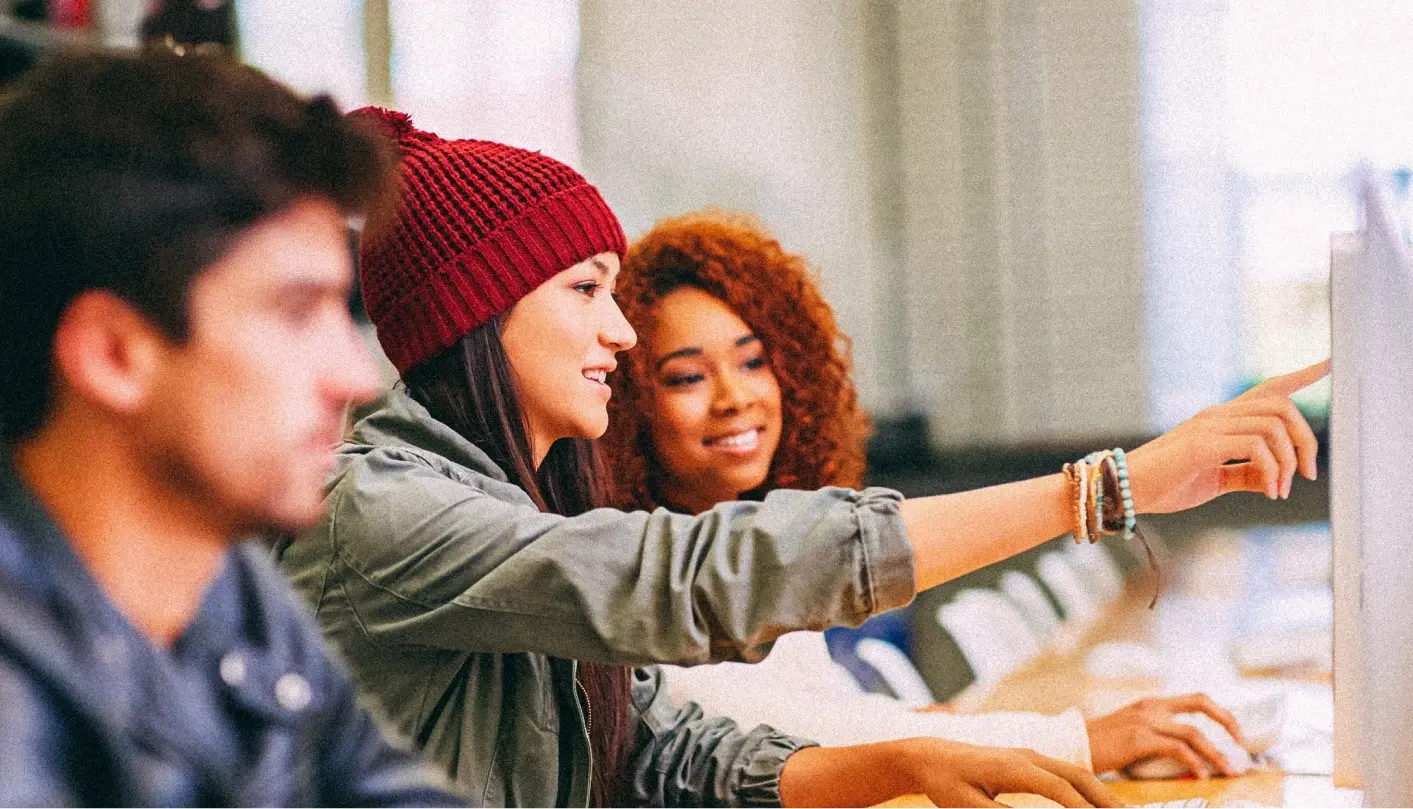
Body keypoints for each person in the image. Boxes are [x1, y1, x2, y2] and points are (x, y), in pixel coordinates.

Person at [278, 108, 1323, 808]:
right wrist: (1101, 488)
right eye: (586, 291)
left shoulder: (521, 506)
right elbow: (684, 581)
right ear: (480, 316)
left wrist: (904, 756)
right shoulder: (382, 510)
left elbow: (667, 752)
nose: (623, 336)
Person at [601, 207, 1256, 779]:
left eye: (753, 361)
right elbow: (800, 748)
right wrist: (1080, 738)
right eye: (686, 376)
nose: (736, 396)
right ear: (628, 404)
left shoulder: (759, 537)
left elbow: (821, 714)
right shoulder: (642, 581)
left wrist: (921, 719)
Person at [0, 48, 461, 806]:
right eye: (294, 311)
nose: (357, 377)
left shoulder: (223, 582)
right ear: (114, 353)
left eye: (340, 314)